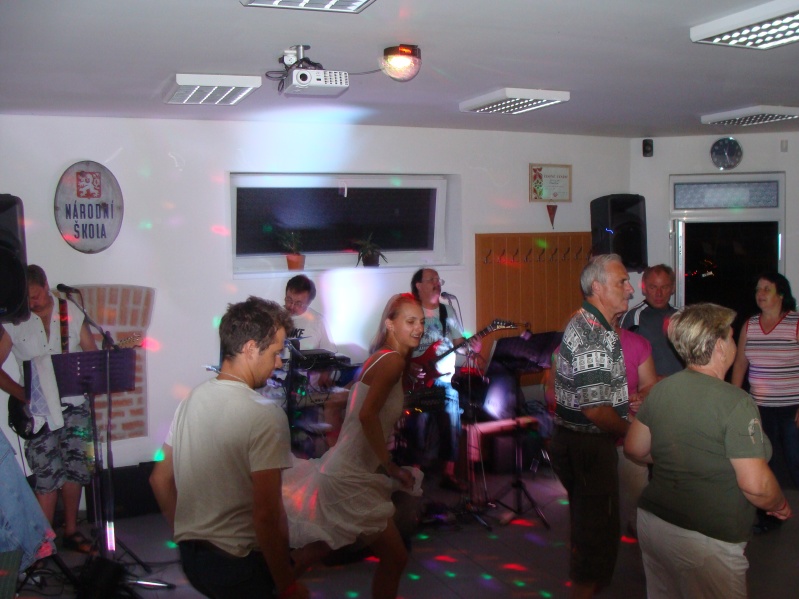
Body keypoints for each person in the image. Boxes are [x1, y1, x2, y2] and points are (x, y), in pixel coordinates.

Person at [625, 303, 791, 599]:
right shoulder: (736, 402)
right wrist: (777, 503)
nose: (734, 344)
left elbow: (635, 448)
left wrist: (682, 457)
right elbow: (756, 486)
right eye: (731, 336)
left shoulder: (662, 389)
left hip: (654, 524)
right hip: (706, 538)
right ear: (719, 346)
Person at [148, 297, 308, 599]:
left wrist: (186, 533)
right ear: (250, 348)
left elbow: (158, 479)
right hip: (238, 565)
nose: (278, 363)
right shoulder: (265, 414)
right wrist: (288, 585)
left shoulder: (191, 399)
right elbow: (267, 515)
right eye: (276, 353)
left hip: (193, 561)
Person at [282, 293, 422, 599]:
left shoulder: (379, 357)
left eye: (421, 322)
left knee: (318, 549)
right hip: (352, 477)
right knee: (395, 557)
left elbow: (341, 401)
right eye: (410, 321)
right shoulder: (392, 361)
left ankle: (273, 589)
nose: (419, 328)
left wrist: (340, 443)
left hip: (348, 470)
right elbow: (367, 415)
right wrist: (390, 466)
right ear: (390, 324)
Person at [550, 253, 633, 599]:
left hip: (578, 444)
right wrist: (629, 430)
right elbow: (596, 409)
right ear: (597, 288)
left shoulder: (594, 324)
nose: (630, 289)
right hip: (587, 446)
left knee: (594, 530)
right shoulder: (593, 334)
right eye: (622, 282)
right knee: (594, 537)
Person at [0, 265, 98, 555]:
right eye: (27, 298)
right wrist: (21, 393)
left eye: (36, 296)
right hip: (39, 412)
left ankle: (71, 531)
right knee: (46, 475)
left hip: (74, 406)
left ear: (46, 286)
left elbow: (92, 354)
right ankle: (44, 545)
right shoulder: (14, 320)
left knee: (75, 469)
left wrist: (90, 372)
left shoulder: (70, 311)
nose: (32, 302)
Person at [731, 272, 799, 532]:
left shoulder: (795, 322)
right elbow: (740, 364)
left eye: (767, 289)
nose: (760, 294)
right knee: (764, 464)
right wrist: (734, 399)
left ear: (781, 294)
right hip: (759, 409)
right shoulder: (750, 325)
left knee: (795, 461)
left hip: (792, 408)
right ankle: (770, 518)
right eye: (758, 289)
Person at [407, 268, 479, 491]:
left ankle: (448, 474)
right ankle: (414, 475)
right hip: (419, 381)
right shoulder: (410, 310)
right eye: (431, 279)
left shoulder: (447, 311)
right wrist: (408, 366)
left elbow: (459, 345)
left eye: (438, 279)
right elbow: (398, 345)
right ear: (418, 285)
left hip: (445, 379)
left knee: (452, 426)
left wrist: (471, 347)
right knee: (417, 428)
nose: (437, 283)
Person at [615, 320, 657, 538]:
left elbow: (649, 385)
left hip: (628, 437)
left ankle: (638, 532)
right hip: (592, 438)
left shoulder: (637, 344)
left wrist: (642, 396)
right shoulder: (574, 342)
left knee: (637, 495)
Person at [620, 264, 683, 378]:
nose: (659, 293)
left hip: (682, 383)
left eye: (664, 287)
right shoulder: (634, 317)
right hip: (652, 386)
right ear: (644, 288)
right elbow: (625, 360)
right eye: (653, 287)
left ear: (673, 288)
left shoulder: (682, 316)